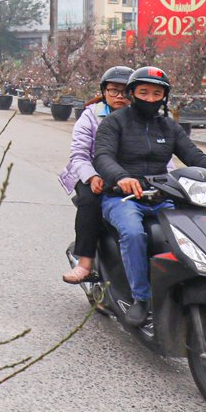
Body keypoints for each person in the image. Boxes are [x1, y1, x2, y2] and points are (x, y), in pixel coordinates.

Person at [92, 66, 206, 327]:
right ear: (132, 94)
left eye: (157, 93)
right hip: (122, 198)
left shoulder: (169, 127)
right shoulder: (114, 122)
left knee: (194, 229)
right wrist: (121, 177)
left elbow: (195, 156)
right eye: (143, 92)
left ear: (164, 97)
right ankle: (140, 298)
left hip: (162, 197)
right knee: (133, 233)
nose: (150, 99)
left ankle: (188, 286)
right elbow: (103, 156)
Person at [58, 66, 132, 284]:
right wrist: (91, 177)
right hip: (91, 172)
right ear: (104, 91)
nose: (120, 96)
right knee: (90, 202)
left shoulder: (141, 118)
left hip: (128, 175)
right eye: (114, 90)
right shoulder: (91, 116)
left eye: (126, 92)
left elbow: (162, 157)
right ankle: (85, 262)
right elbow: (79, 154)